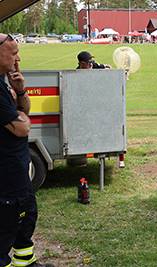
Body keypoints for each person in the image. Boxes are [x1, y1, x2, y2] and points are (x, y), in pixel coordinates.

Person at [0, 33, 52, 267]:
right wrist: (21, 118)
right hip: (5, 174)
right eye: (13, 54)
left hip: (17, 168)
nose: (17, 59)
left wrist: (20, 90)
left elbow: (24, 113)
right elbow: (22, 128)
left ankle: (25, 262)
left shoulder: (5, 82)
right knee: (6, 227)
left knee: (26, 217)